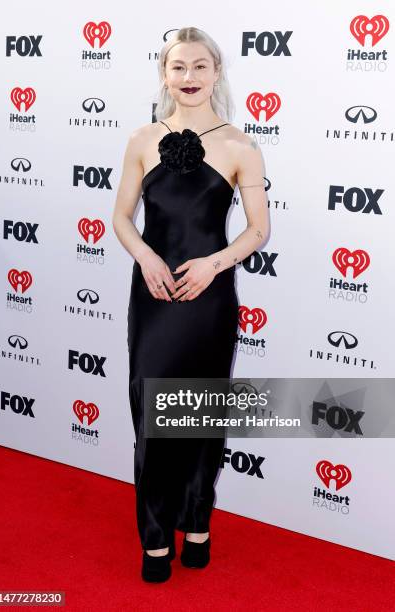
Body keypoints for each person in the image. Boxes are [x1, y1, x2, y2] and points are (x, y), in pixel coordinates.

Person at [112, 26, 269, 582]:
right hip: (153, 295)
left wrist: (213, 264)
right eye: (178, 68)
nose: (189, 78)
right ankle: (155, 538)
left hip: (209, 298)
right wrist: (147, 260)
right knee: (151, 415)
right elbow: (121, 218)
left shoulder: (241, 146)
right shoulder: (139, 139)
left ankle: (196, 525)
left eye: (200, 67)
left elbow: (256, 231)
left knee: (201, 413)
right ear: (164, 74)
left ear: (217, 72)